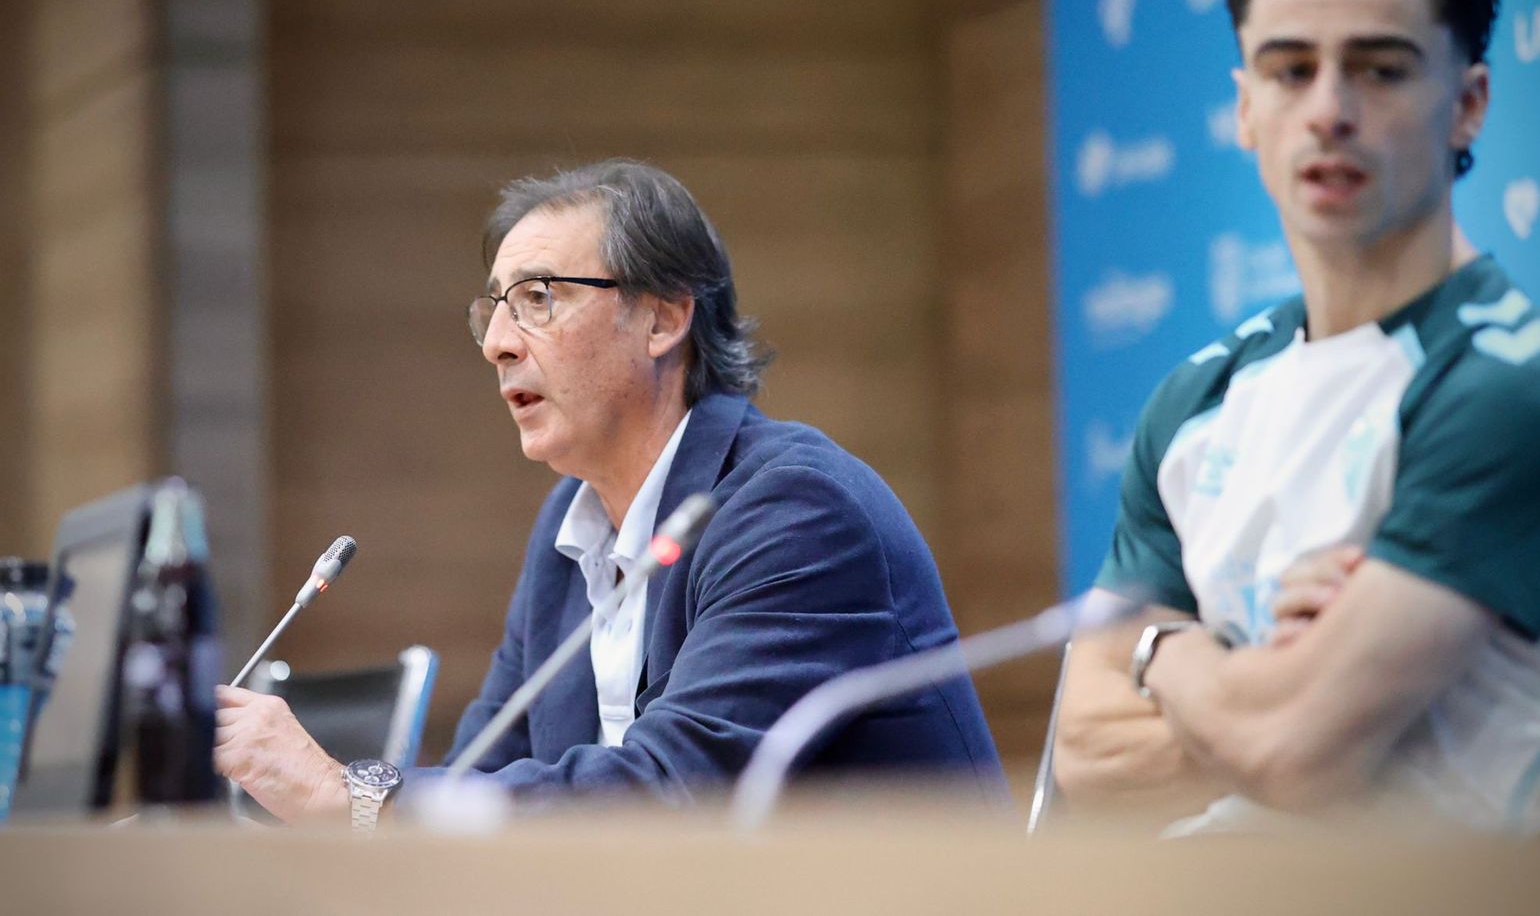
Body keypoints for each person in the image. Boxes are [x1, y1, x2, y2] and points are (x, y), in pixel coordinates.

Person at [215, 160, 1000, 827]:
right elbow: (481, 773)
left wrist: (344, 798)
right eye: (495, 306)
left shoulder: (795, 512)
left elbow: (673, 797)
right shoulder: (572, 522)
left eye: (539, 298)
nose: (496, 342)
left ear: (662, 318)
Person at [1052, 0, 1540, 834]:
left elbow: (1293, 749)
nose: (1329, 109)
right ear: (1245, 108)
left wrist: (1162, 653)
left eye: (1380, 69)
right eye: (1289, 68)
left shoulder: (1520, 389)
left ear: (1468, 104)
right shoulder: (1197, 397)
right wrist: (1253, 666)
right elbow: (1081, 755)